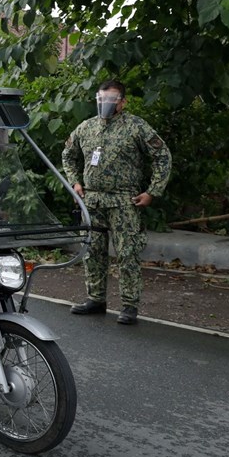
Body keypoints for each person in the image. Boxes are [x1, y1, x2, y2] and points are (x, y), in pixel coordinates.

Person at [61, 79, 172, 325]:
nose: (105, 104)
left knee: (127, 254)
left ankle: (129, 305)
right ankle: (96, 299)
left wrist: (152, 191)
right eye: (101, 100)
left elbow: (162, 156)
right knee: (93, 252)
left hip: (125, 201)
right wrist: (75, 182)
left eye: (111, 100)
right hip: (92, 200)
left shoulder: (136, 127)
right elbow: (68, 154)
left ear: (123, 101)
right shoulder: (86, 127)